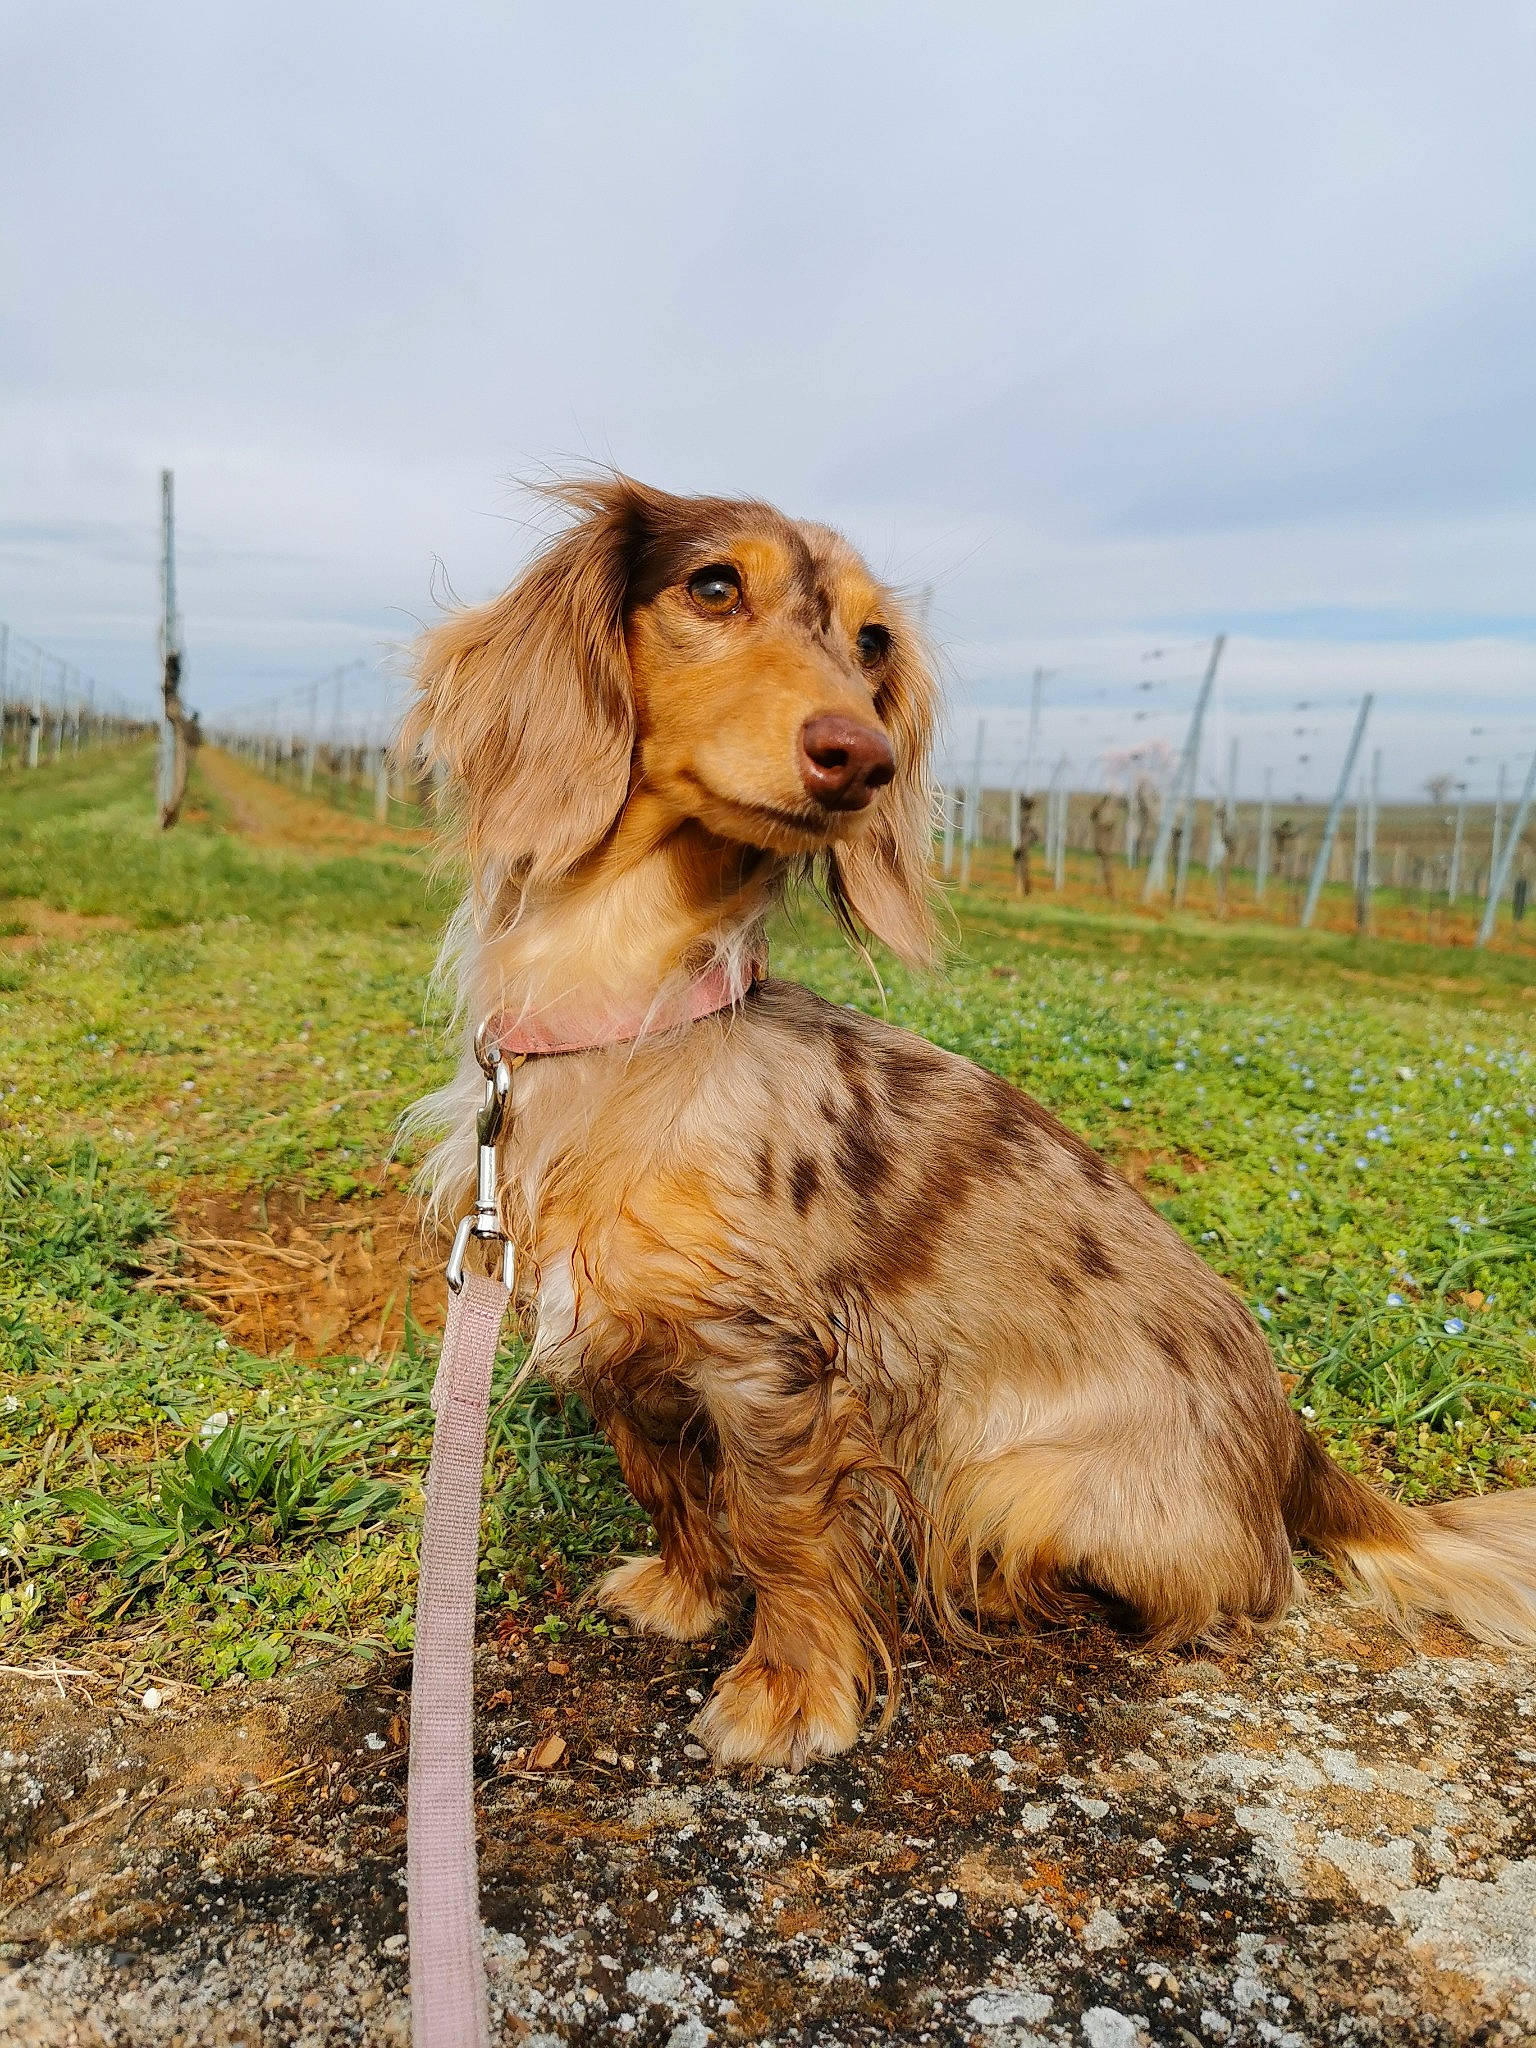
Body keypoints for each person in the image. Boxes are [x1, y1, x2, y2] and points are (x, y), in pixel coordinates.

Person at [1089, 794, 1120, 901]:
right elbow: (1094, 816)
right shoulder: (1102, 814)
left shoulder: (1107, 817)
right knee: (1104, 870)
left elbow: (1102, 821)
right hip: (1103, 848)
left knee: (1106, 871)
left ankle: (1111, 893)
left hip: (1105, 849)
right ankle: (1108, 892)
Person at [1013, 794, 1039, 896]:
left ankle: (1024, 890)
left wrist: (1024, 845)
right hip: (1022, 849)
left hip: (1023, 849)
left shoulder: (1026, 821)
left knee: (1023, 869)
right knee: (1020, 868)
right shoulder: (1023, 820)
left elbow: (1036, 836)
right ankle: (1021, 889)